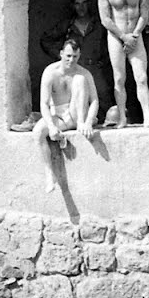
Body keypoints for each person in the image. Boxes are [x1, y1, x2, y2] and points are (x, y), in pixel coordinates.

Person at [97, 0, 149, 128]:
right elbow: (106, 19)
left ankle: (148, 117)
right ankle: (122, 118)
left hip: (135, 35)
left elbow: (144, 15)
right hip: (117, 37)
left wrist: (135, 35)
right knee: (119, 78)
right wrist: (124, 37)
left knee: (141, 77)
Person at [33, 39, 98, 192]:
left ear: (79, 55)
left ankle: (81, 123)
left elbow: (94, 100)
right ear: (61, 54)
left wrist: (88, 121)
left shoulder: (83, 73)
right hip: (60, 117)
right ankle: (49, 174)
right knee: (38, 132)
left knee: (80, 80)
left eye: (75, 56)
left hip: (77, 114)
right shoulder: (50, 72)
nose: (71, 60)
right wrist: (50, 126)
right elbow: (44, 103)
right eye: (68, 56)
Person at [40, 0, 111, 112]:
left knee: (103, 97)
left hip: (95, 67)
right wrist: (61, 56)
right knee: (76, 99)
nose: (81, 7)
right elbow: (46, 40)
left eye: (84, 3)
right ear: (73, 6)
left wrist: (105, 60)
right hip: (74, 67)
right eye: (77, 4)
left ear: (89, 4)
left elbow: (110, 43)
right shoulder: (67, 25)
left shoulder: (99, 24)